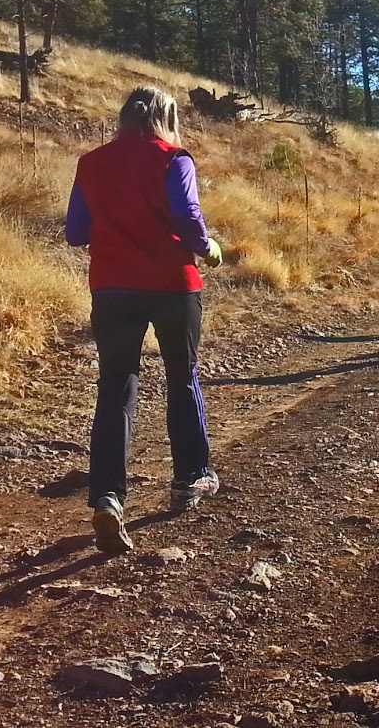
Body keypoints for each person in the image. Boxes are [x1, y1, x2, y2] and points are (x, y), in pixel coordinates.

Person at [65, 87, 224, 555]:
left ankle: (108, 496)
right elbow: (187, 214)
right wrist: (207, 247)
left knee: (116, 386)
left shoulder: (91, 162)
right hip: (174, 284)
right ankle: (190, 478)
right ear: (166, 117)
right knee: (182, 376)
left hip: (112, 286)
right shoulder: (174, 157)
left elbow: (75, 232)